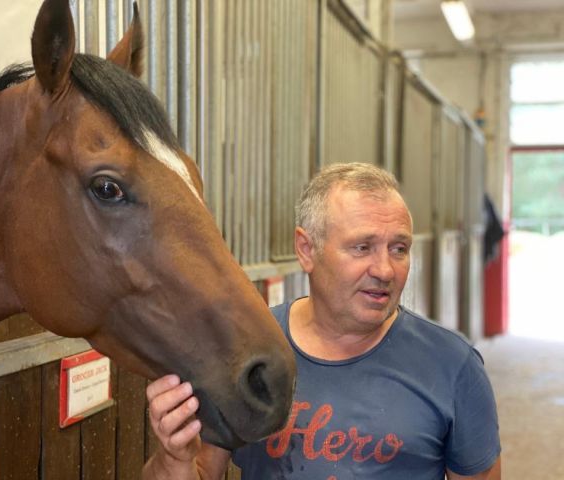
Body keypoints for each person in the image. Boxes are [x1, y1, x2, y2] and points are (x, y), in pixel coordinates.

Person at [142, 162, 502, 479]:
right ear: (306, 250)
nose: (384, 270)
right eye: (362, 247)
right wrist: (174, 458)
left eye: (399, 249)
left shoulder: (453, 366)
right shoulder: (244, 353)